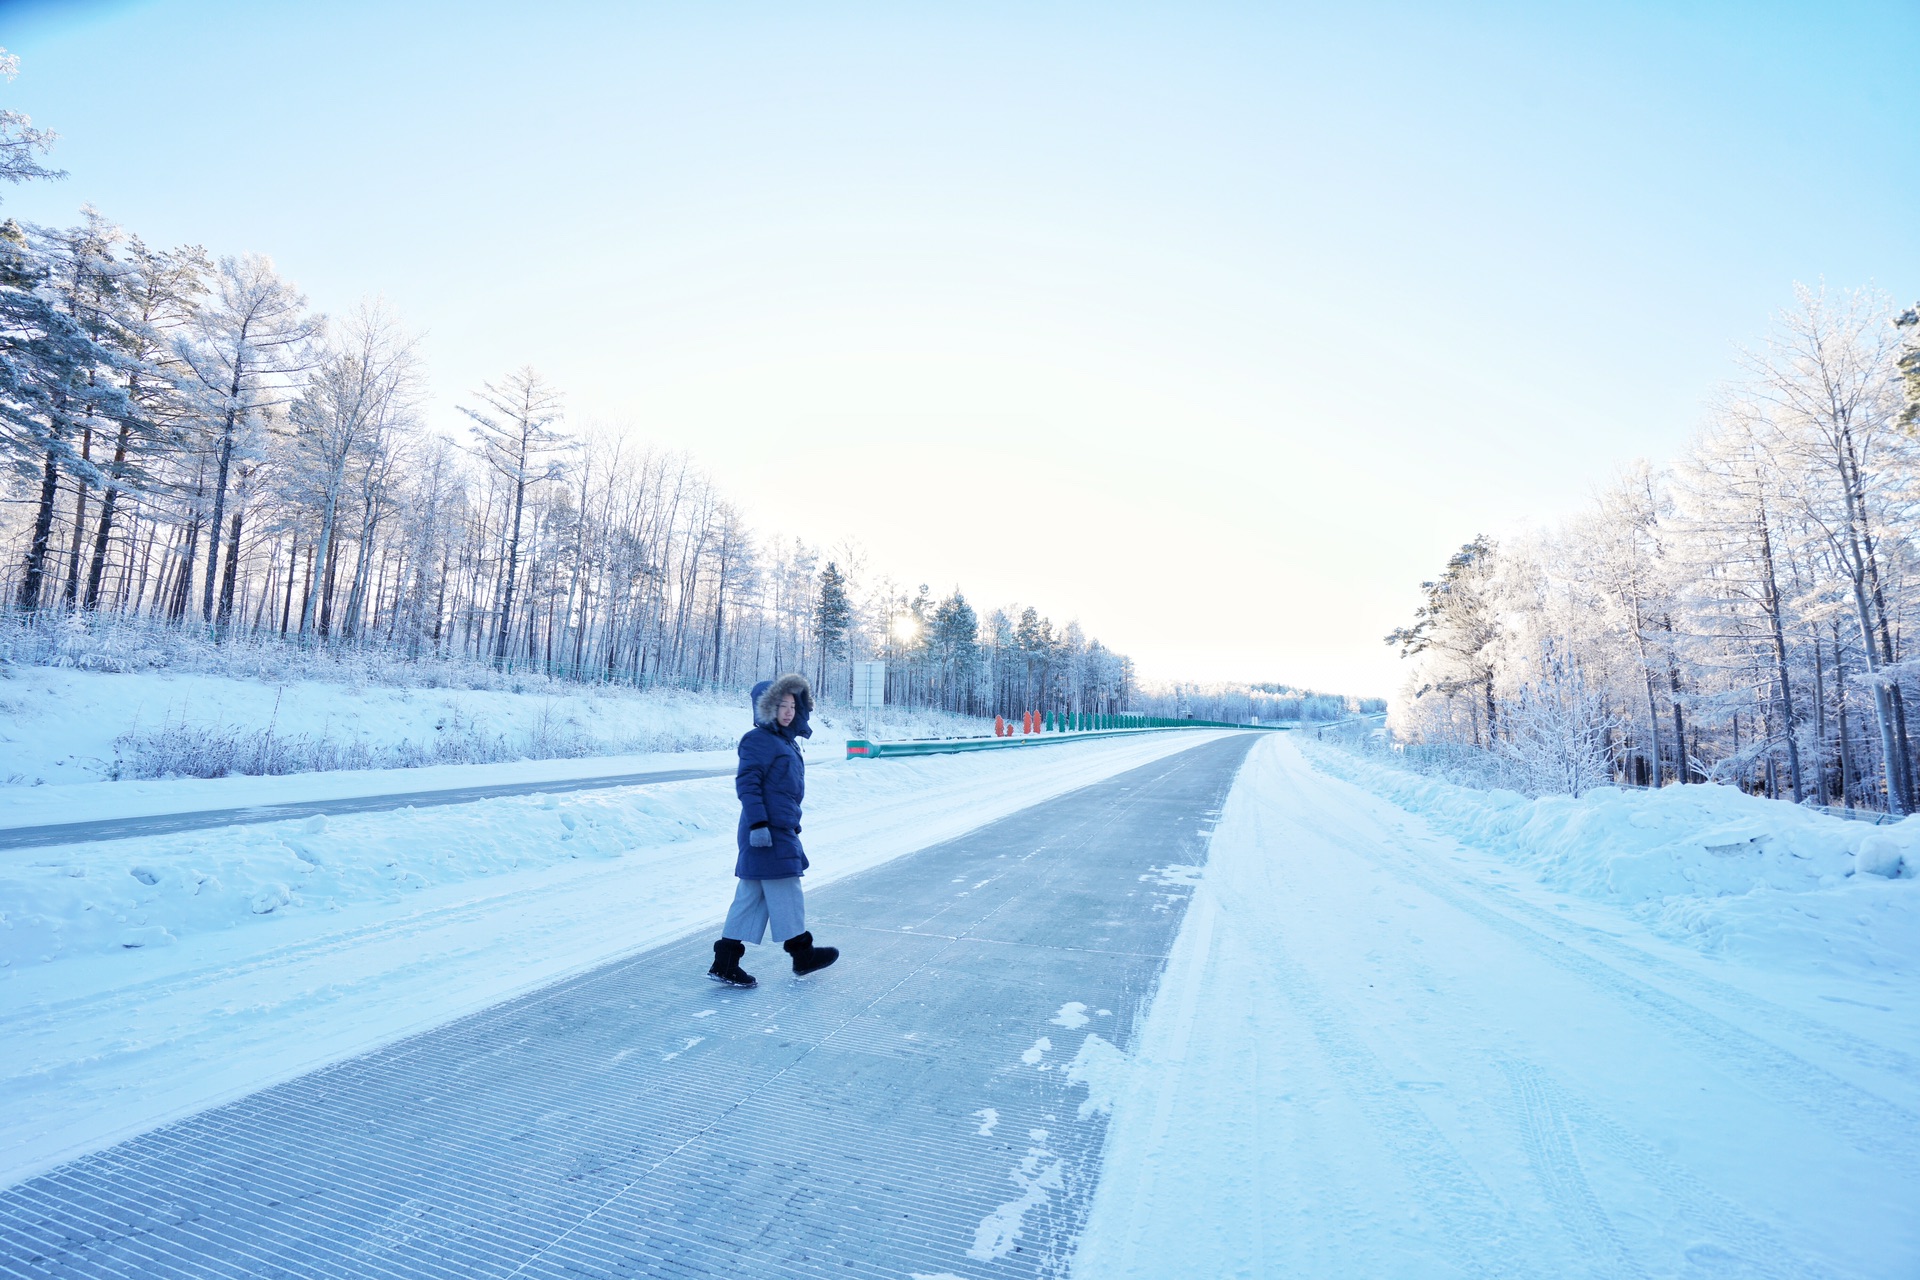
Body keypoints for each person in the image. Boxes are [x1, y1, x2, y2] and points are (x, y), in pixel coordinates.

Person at [708, 673, 840, 988]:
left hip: (777, 829)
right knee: (786, 891)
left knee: (751, 897)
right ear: (764, 707)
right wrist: (757, 824)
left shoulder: (785, 742)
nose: (788, 711)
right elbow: (748, 784)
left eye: (792, 705)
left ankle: (725, 962)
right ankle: (802, 954)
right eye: (780, 704)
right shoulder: (758, 740)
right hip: (765, 831)